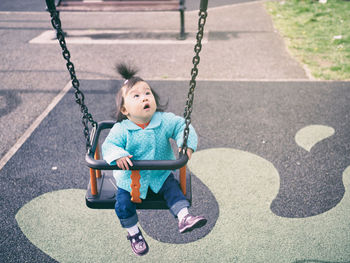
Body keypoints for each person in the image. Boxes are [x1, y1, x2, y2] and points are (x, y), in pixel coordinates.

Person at [102, 63, 207, 256]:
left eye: (147, 93)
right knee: (123, 205)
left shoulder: (163, 120)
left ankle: (184, 218)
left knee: (174, 191)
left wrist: (186, 143)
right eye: (136, 96)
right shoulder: (121, 129)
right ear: (125, 110)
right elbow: (108, 146)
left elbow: (182, 126)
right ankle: (133, 233)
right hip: (128, 181)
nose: (144, 97)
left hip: (160, 174)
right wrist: (118, 155)